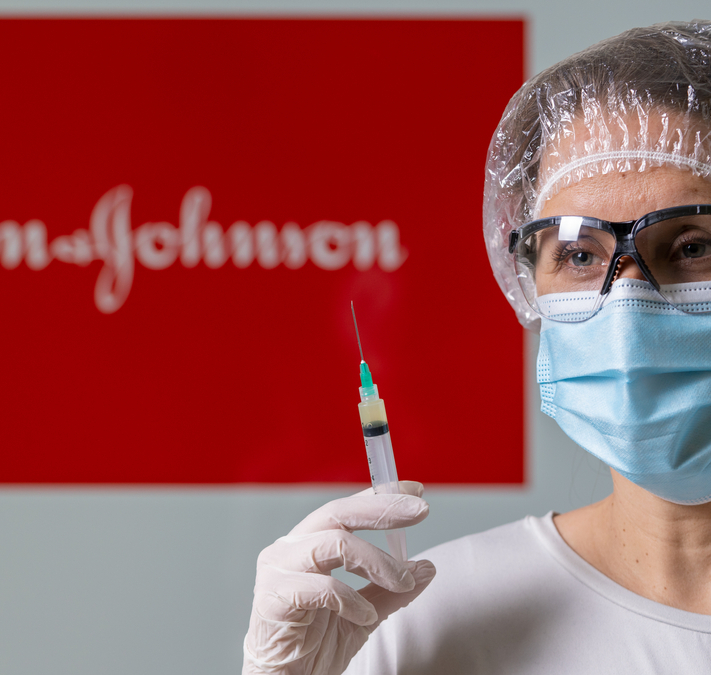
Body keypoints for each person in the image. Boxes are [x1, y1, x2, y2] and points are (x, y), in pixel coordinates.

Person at [241, 21, 711, 674]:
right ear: (530, 283)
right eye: (579, 253)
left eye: (692, 245)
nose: (627, 303)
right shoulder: (428, 622)